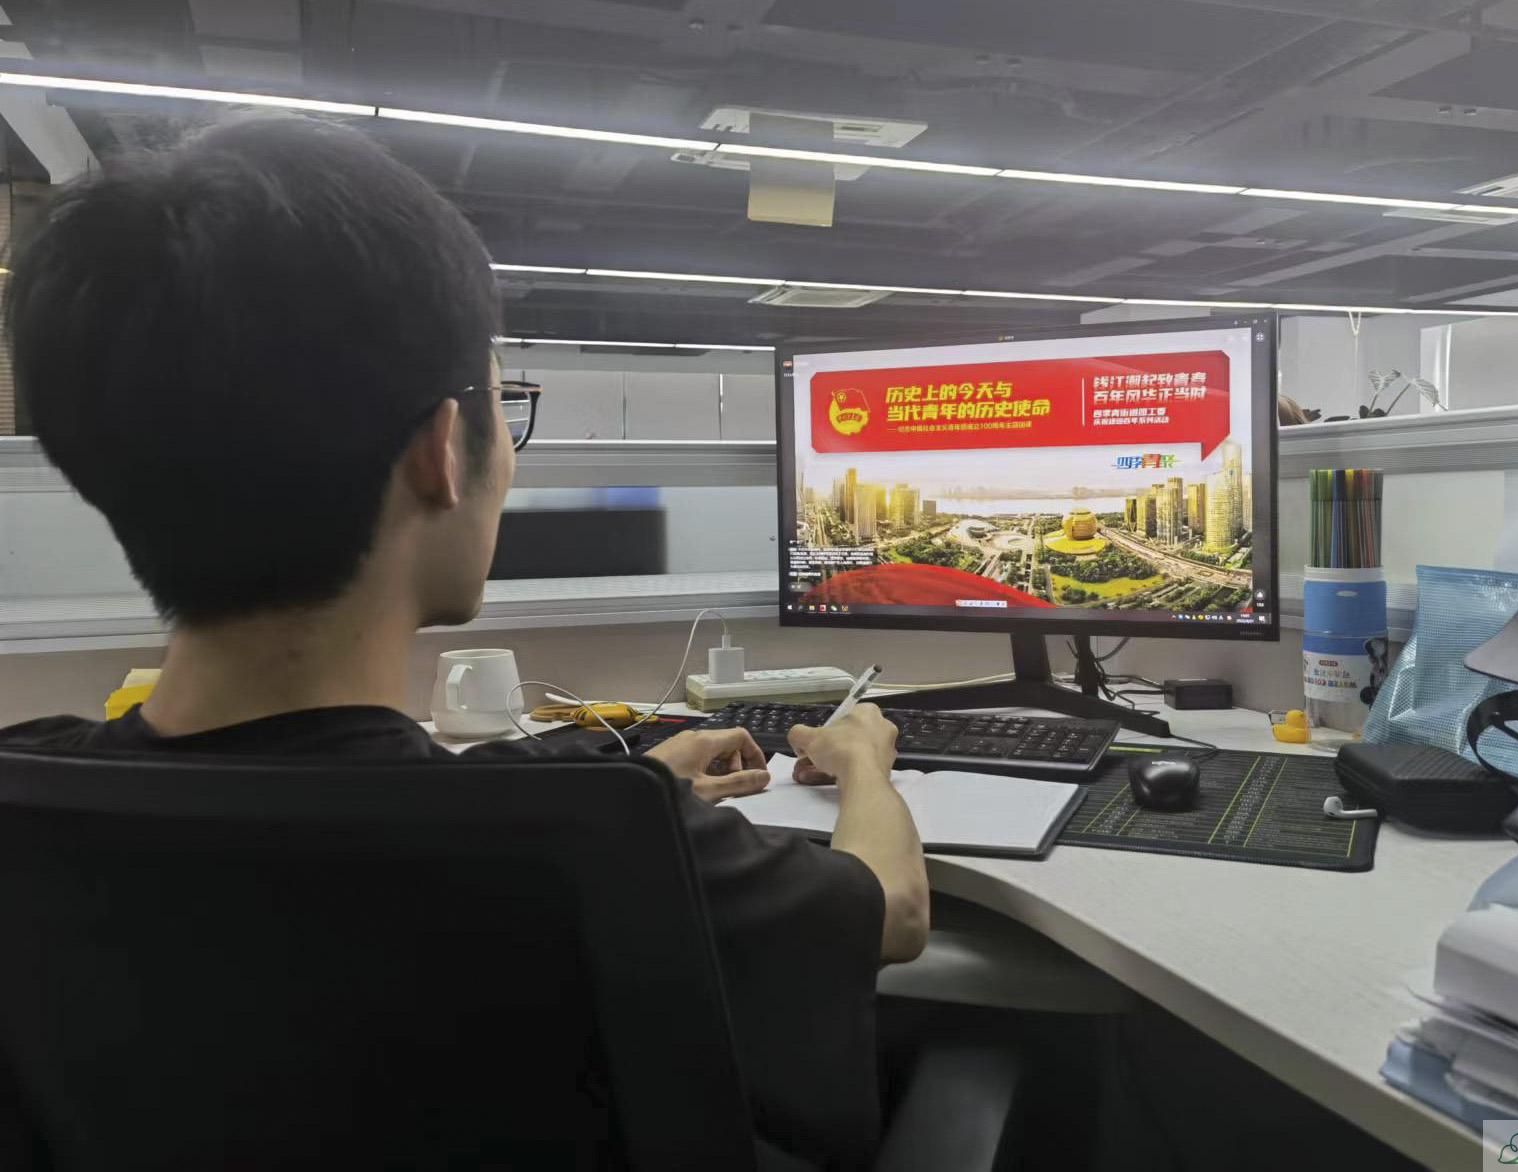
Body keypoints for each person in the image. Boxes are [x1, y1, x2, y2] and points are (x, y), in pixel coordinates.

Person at [0, 114, 927, 1164]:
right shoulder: (593, 834)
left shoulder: (29, 799)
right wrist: (863, 760)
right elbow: (892, 911)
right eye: (503, 405)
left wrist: (612, 774)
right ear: (441, 451)